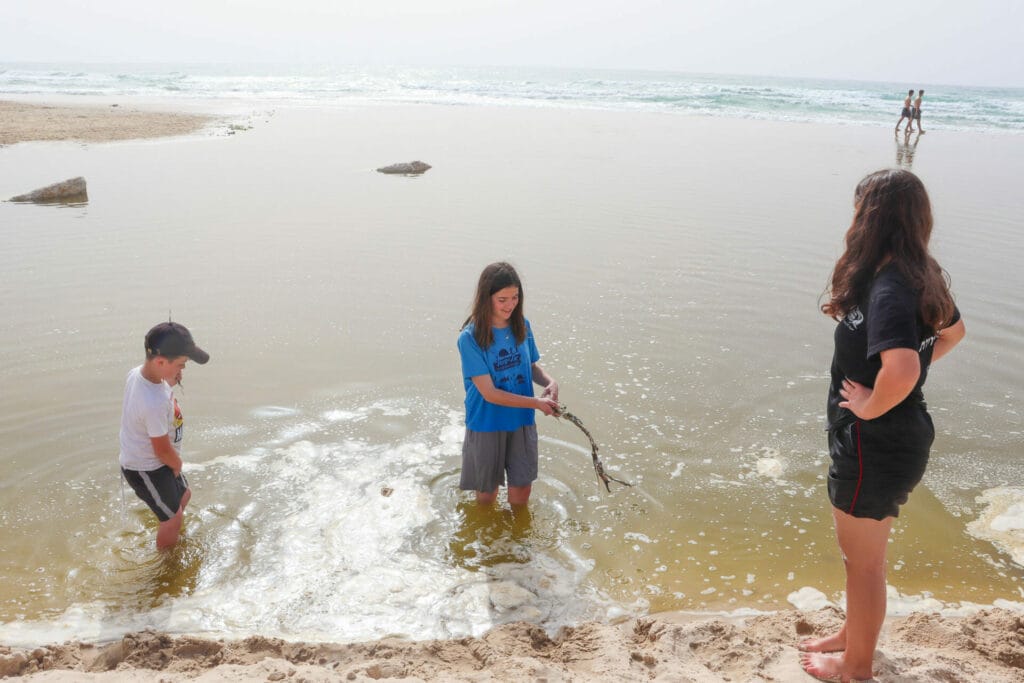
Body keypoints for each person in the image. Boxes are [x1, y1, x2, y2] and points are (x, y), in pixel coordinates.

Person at [800, 169, 965, 682]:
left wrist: (873, 404)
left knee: (863, 564)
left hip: (877, 442)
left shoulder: (892, 285)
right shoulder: (919, 272)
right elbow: (954, 334)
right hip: (894, 438)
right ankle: (855, 635)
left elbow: (905, 367)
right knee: (863, 559)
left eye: (857, 209)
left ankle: (856, 668)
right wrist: (893, 388)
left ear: (869, 219)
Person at [458, 262, 559, 508]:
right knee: (486, 495)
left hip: (521, 420)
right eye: (502, 299)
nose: (510, 305)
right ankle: (490, 544)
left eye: (515, 298)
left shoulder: (522, 325)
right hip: (487, 422)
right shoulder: (470, 338)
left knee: (522, 489)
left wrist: (550, 381)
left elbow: (531, 367)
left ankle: (518, 543)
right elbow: (489, 393)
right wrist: (537, 403)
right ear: (486, 298)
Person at [119, 322, 210, 549]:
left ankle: (169, 527)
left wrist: (169, 379)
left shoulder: (140, 376)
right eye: (180, 364)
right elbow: (161, 449)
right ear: (160, 362)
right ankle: (166, 564)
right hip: (147, 468)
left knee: (184, 496)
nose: (183, 370)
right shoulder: (154, 402)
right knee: (173, 519)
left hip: (160, 462)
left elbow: (153, 392)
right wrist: (176, 464)